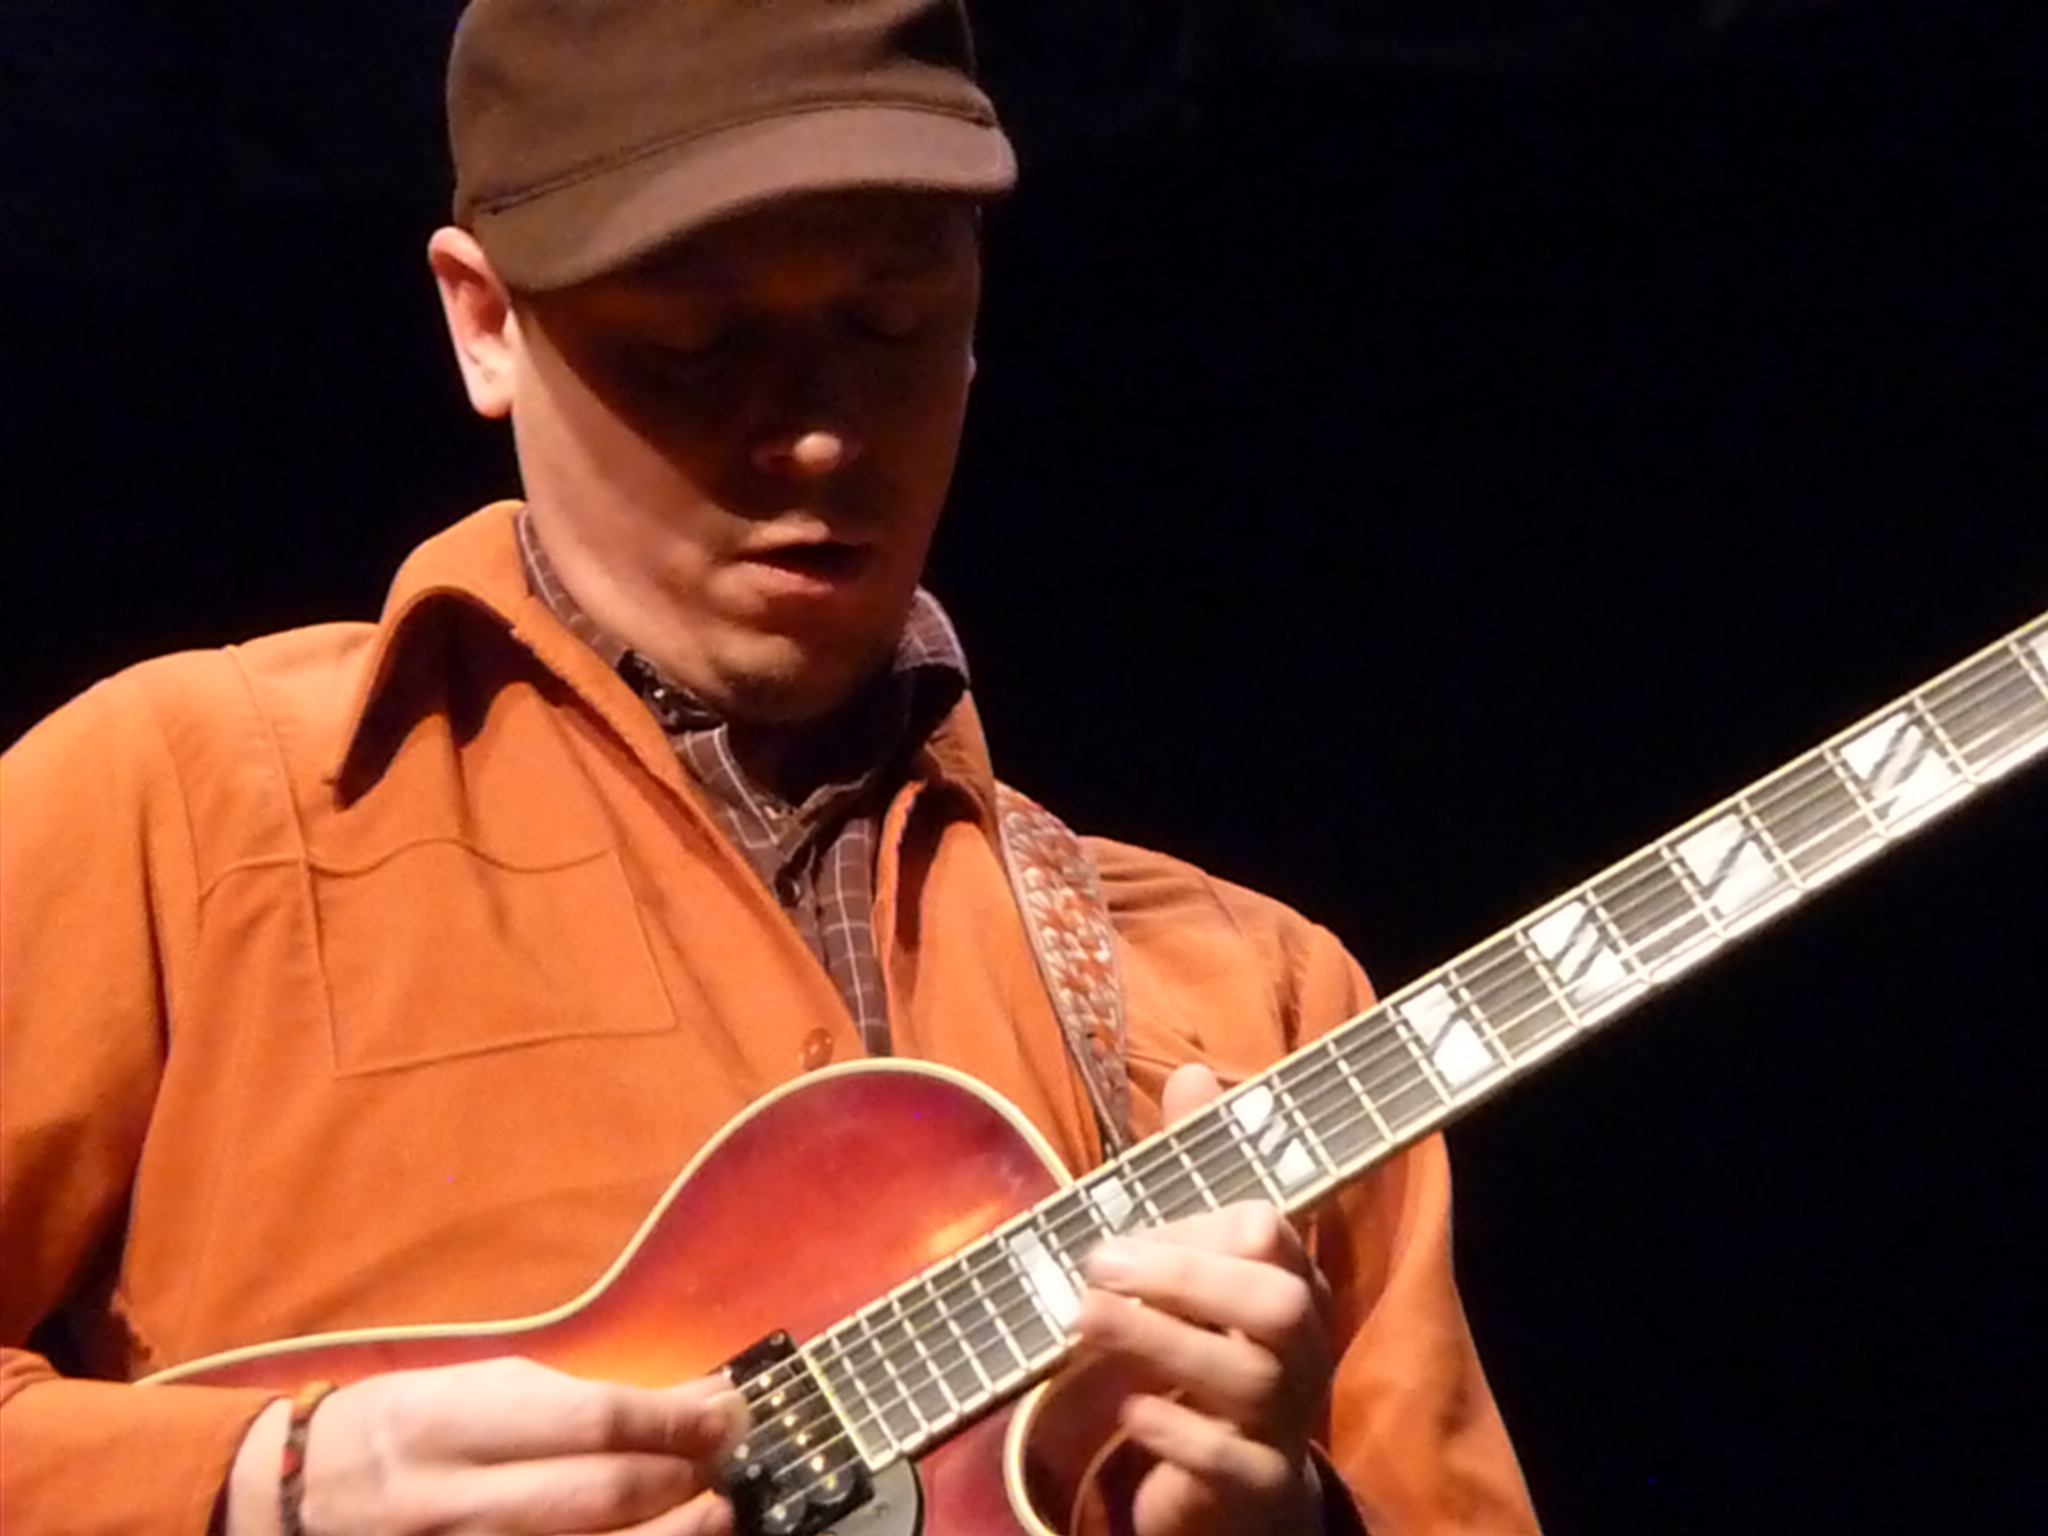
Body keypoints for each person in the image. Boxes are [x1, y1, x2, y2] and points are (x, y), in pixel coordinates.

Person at [0, 2, 1540, 1533]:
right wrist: (261, 1489)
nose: (815, 433)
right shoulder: (189, 810)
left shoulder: (1256, 998)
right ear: (485, 323)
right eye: (696, 339)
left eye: (888, 321)